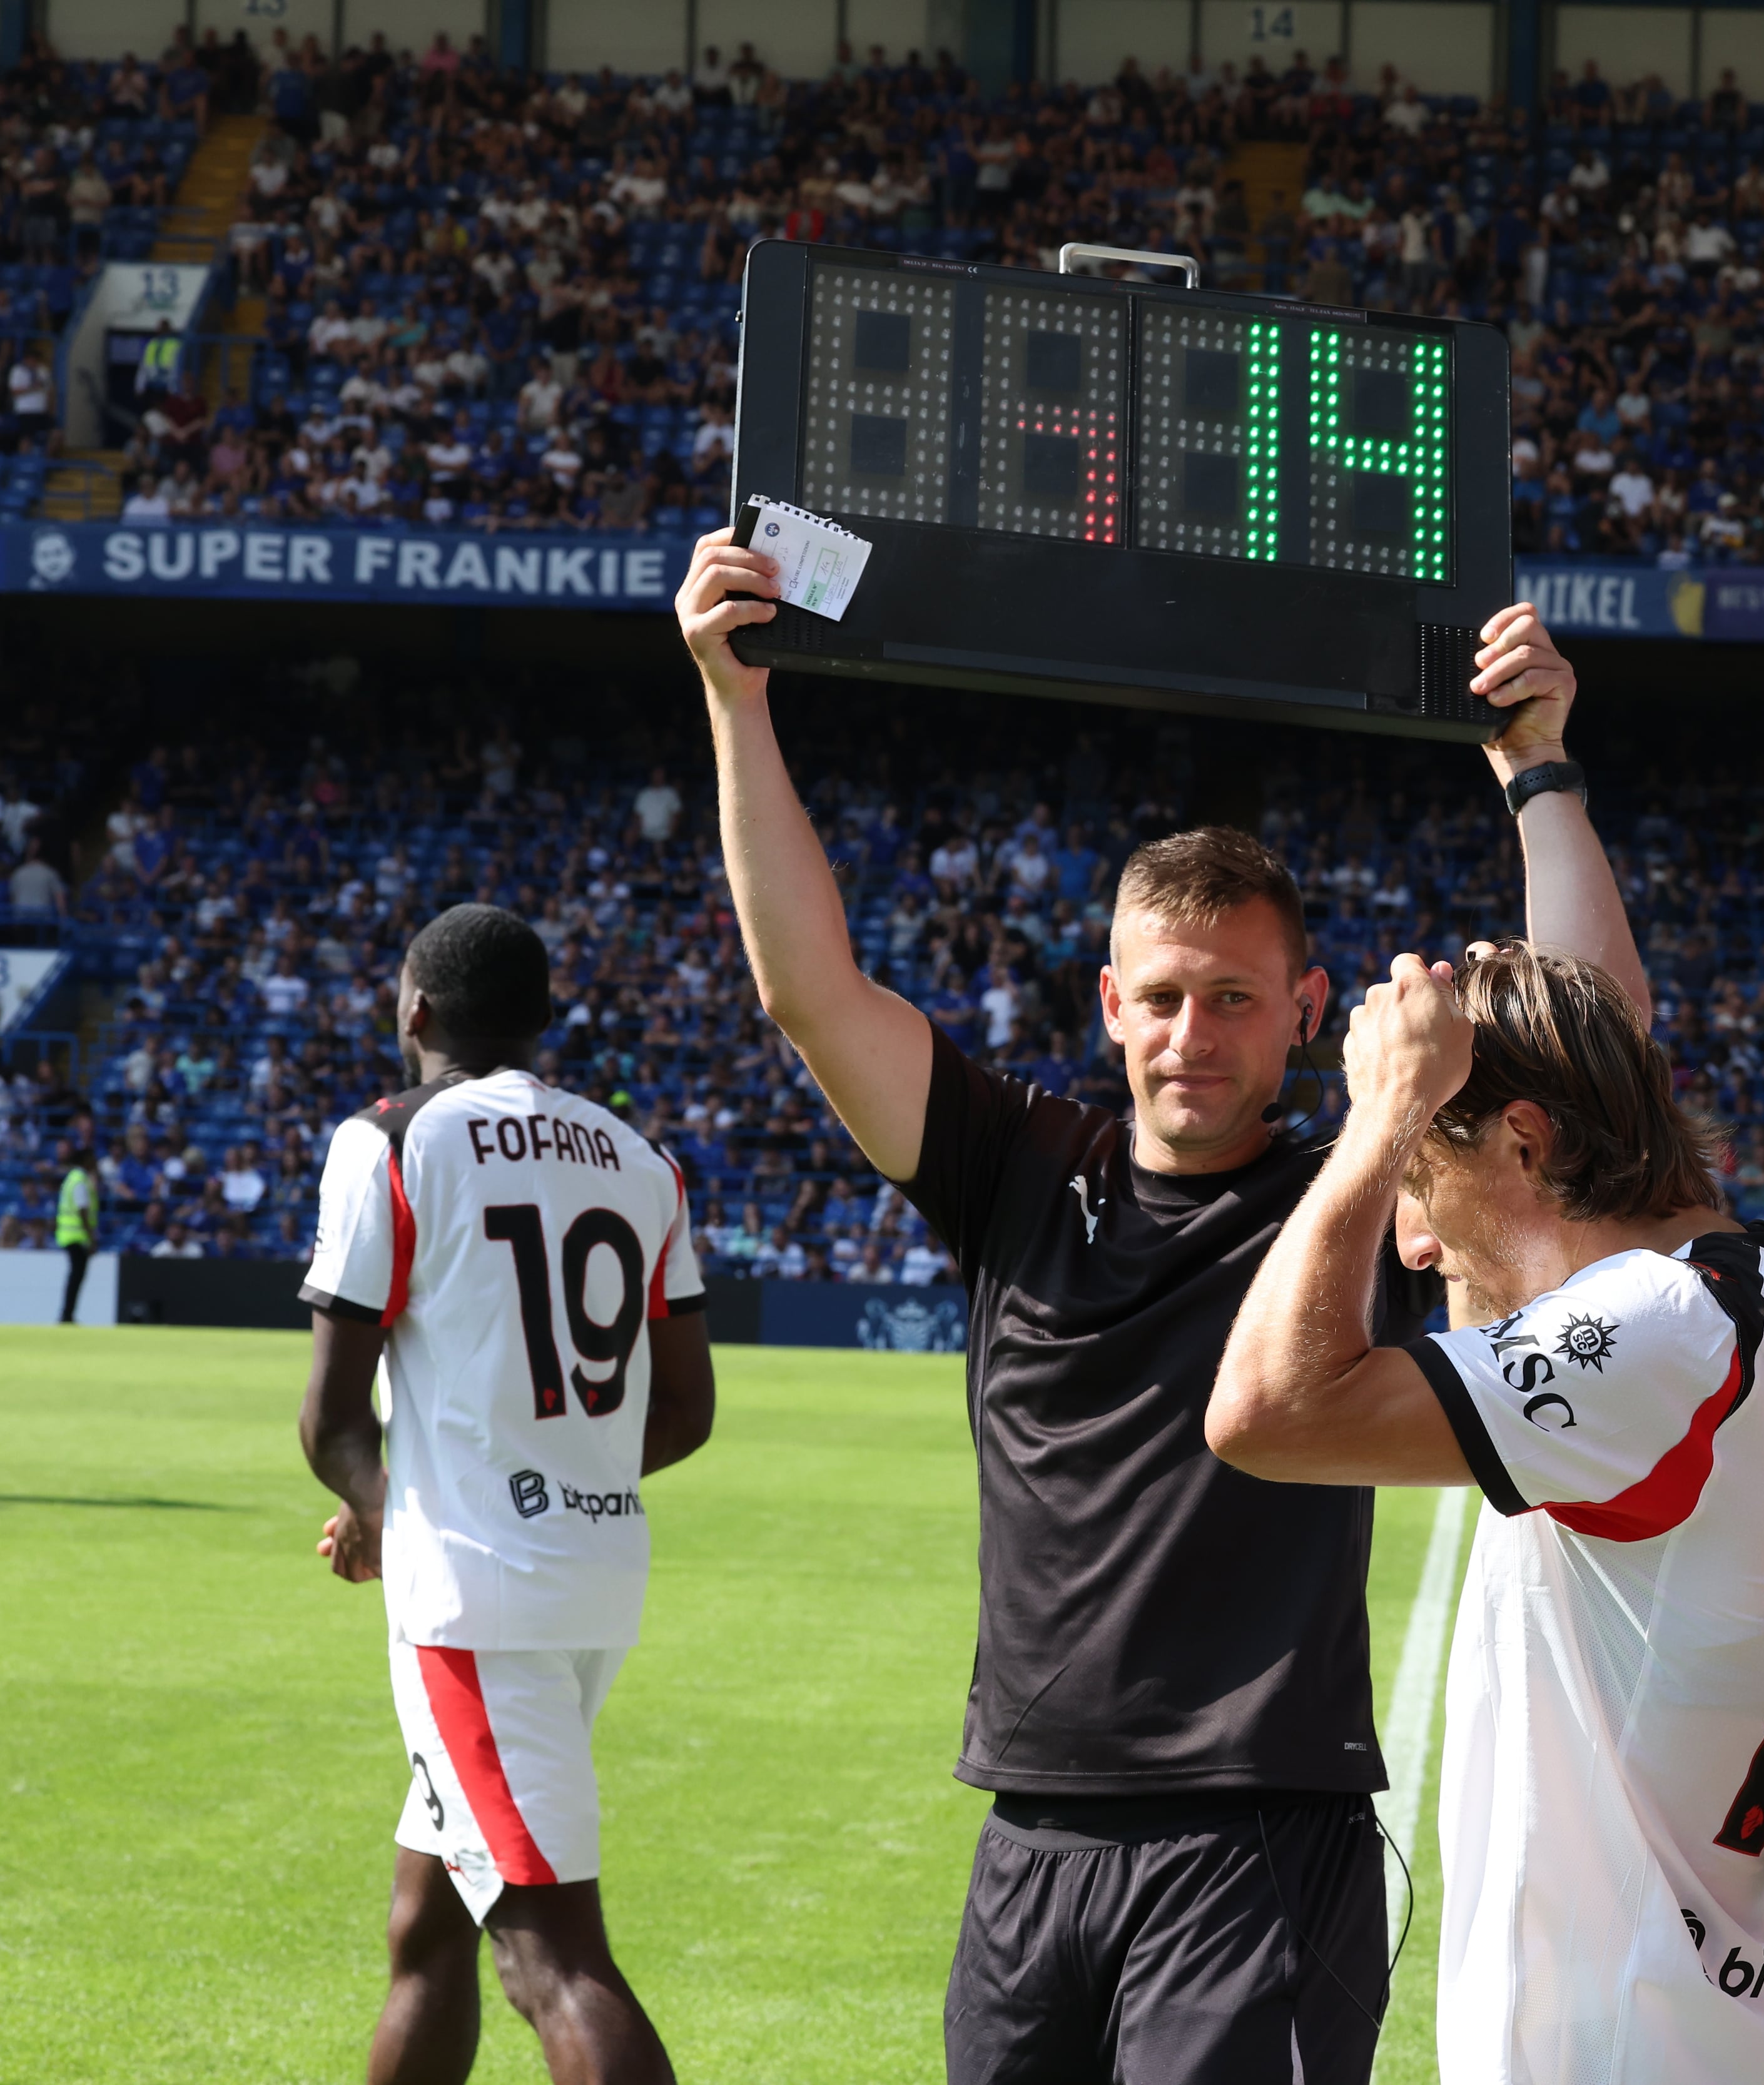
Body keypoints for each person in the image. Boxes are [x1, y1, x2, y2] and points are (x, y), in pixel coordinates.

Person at [674, 530, 1645, 2083]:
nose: (1195, 1034)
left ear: (1308, 1015)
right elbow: (810, 992)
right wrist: (737, 702)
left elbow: (1595, 1072)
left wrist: (1537, 770)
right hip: (1031, 1831)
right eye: (1167, 995)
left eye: (1238, 998)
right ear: (1109, 1001)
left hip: (1258, 1838)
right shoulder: (1009, 1163)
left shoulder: (1363, 1193)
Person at [1207, 946, 1764, 2080]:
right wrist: (1538, 770)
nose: (1416, 1242)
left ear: (1525, 1142)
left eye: (1420, 1183)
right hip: (1763, 2023)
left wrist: (1383, 1112)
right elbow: (1604, 1027)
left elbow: (1264, 1412)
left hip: (1617, 2042)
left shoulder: (1656, 1338)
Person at [295, 904, 716, 2085]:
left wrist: (397, 1501)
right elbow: (682, 1411)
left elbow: (328, 1416)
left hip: (475, 1598)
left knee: (551, 1959)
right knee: (428, 1921)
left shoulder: (388, 1140)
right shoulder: (642, 1160)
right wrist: (490, 1481)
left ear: (415, 1007)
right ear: (539, 1020)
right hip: (589, 1582)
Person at [56, 1140, 101, 1326]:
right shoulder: (80, 1180)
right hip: (76, 1236)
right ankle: (67, 1315)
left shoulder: (72, 1179)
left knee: (75, 1277)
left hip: (69, 1235)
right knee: (76, 1277)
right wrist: (91, 1238)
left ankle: (68, 1314)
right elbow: (83, 1211)